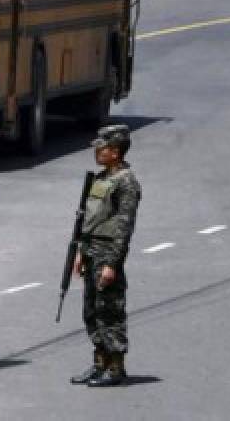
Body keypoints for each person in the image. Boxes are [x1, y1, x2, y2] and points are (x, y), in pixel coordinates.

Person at [71, 124, 142, 387]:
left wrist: (113, 264)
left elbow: (124, 229)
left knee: (109, 311)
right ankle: (99, 362)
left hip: (107, 253)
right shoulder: (101, 178)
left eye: (102, 149)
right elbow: (90, 220)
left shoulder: (127, 183)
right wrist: (81, 252)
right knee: (91, 310)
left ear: (115, 152)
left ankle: (115, 368)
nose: (97, 153)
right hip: (91, 251)